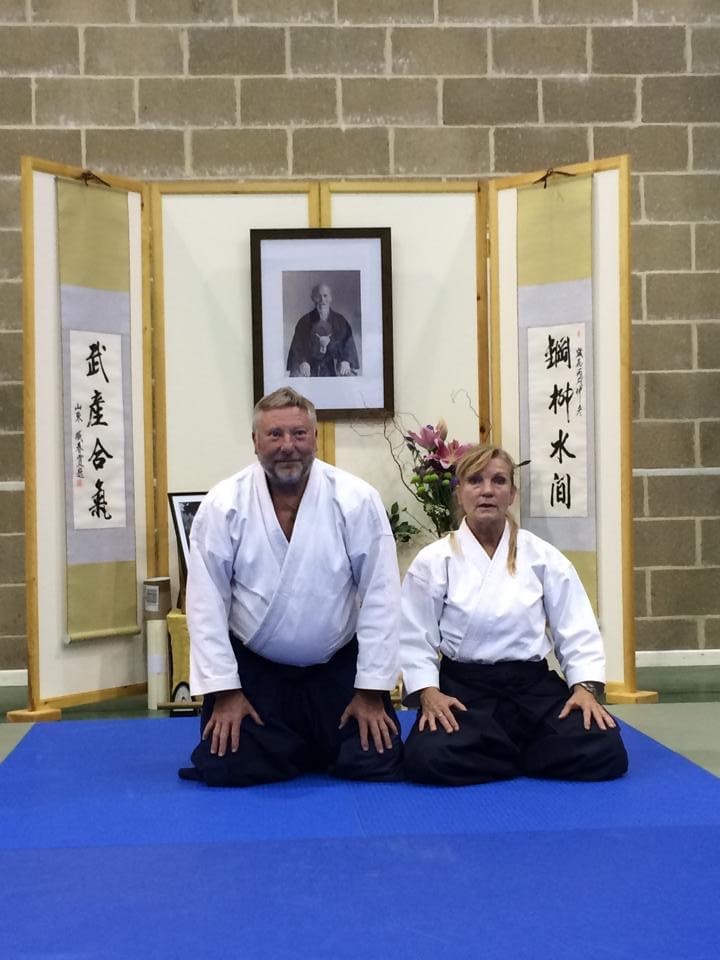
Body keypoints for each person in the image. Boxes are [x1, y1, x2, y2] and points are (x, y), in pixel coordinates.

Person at [180, 387, 403, 786]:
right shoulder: (223, 504)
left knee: (377, 758)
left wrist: (371, 690)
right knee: (226, 764)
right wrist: (225, 692)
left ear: (315, 438)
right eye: (275, 435)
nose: (288, 447)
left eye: (299, 434)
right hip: (256, 672)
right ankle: (306, 745)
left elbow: (382, 595)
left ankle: (298, 746)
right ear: (255, 442)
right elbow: (205, 603)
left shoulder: (355, 499)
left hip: (336, 669)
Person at [399, 443, 628, 786]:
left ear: (512, 494)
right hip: (465, 692)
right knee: (427, 757)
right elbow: (413, 636)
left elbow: (576, 626)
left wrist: (583, 689)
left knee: (605, 748)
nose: (487, 490)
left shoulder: (542, 557)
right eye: (475, 481)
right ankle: (528, 755)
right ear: (459, 493)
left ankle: (500, 754)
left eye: (499, 481)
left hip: (533, 689)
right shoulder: (435, 560)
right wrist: (429, 692)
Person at [286, 282, 360, 378]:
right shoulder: (304, 321)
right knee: (297, 376)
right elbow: (297, 347)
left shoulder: (340, 321)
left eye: (325, 296)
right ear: (313, 298)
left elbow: (348, 344)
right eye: (318, 296)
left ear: (331, 298)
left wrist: (346, 361)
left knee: (349, 376)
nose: (322, 300)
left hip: (334, 365)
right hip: (310, 366)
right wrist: (303, 361)